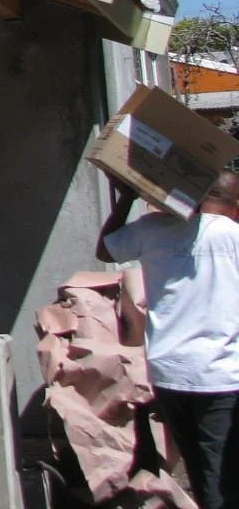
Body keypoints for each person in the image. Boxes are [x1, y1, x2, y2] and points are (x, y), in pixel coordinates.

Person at [97, 171, 239, 509]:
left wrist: (126, 198)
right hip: (221, 374)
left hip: (170, 372)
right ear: (235, 203)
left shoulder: (153, 228)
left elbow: (106, 250)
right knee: (222, 474)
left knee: (198, 465)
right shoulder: (233, 235)